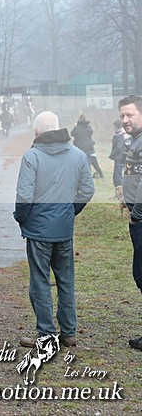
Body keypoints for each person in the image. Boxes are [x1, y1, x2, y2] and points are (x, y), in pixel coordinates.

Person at [14, 110, 95, 349]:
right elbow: (87, 190)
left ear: (37, 131)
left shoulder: (32, 156)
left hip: (39, 231)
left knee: (40, 281)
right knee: (66, 280)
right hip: (63, 229)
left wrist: (22, 219)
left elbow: (24, 196)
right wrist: (70, 211)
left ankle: (46, 334)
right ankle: (69, 332)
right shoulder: (78, 155)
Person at [119, 95, 142, 351]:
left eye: (130, 115)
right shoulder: (134, 140)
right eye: (122, 115)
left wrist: (137, 213)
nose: (125, 119)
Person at [70, 114, 104, 179]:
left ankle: (85, 175)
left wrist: (76, 126)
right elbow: (90, 133)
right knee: (94, 162)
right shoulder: (89, 127)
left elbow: (72, 134)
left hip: (80, 147)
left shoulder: (77, 127)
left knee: (82, 162)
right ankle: (101, 174)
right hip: (89, 146)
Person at [110, 118, 130, 199]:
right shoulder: (120, 133)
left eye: (113, 126)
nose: (113, 128)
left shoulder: (121, 134)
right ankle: (118, 194)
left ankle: (120, 195)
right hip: (120, 157)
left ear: (116, 126)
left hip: (120, 157)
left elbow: (119, 147)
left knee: (117, 176)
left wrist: (112, 154)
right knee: (117, 175)